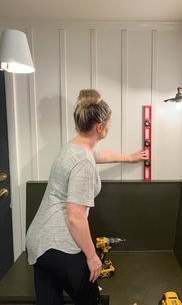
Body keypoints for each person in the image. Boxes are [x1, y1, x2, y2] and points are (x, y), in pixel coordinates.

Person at [26, 89, 147, 305]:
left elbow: (99, 155)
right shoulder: (83, 162)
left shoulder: (74, 148)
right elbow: (75, 217)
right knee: (90, 299)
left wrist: (129, 158)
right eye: (109, 124)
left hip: (39, 242)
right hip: (58, 244)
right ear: (100, 128)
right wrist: (92, 257)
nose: (110, 127)